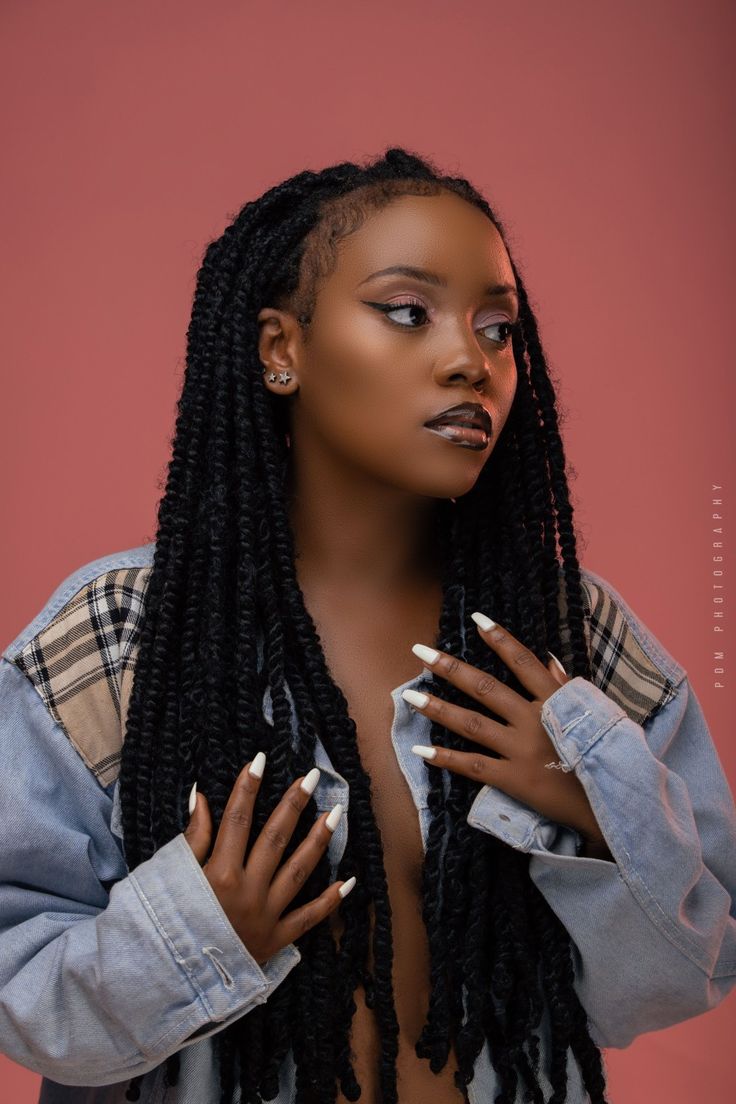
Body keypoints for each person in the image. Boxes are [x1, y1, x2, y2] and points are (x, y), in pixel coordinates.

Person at [1, 147, 734, 1104]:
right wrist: (194, 930)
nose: (473, 359)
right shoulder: (122, 636)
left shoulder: (568, 633)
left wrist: (594, 802)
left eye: (500, 327)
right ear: (281, 350)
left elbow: (691, 971)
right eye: (406, 312)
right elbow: (20, 994)